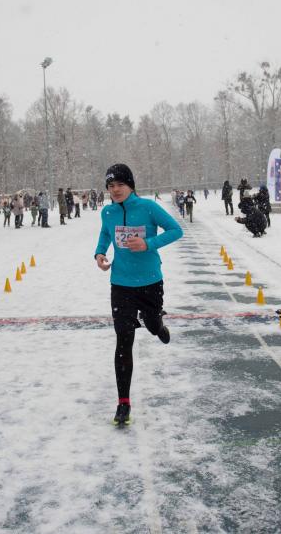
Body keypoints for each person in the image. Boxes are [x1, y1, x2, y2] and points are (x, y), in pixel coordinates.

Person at [94, 164, 183, 426]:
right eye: (110, 186)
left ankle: (158, 325)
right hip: (120, 284)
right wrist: (100, 253)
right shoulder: (107, 211)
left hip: (149, 282)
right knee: (123, 340)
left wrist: (148, 244)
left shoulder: (147, 207)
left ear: (130, 185)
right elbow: (105, 234)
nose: (115, 190)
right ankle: (123, 402)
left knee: (153, 324)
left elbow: (176, 230)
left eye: (120, 185)